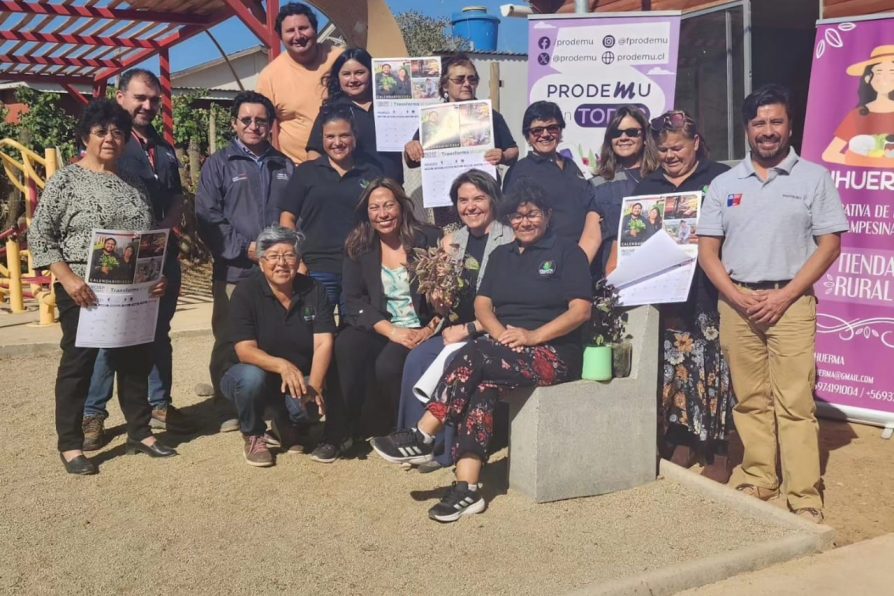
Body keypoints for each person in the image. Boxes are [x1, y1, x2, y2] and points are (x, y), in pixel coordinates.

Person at [371, 184, 592, 522]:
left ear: (547, 215)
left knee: (474, 355)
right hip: (504, 347)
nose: (525, 222)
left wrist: (533, 336)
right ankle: (467, 489)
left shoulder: (566, 253)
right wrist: (502, 333)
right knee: (481, 388)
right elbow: (482, 304)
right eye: (517, 216)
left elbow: (579, 311)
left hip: (553, 352)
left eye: (532, 214)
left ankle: (423, 433)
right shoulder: (501, 255)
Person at [699, 84, 849, 523]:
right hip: (738, 303)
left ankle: (803, 493)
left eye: (776, 122)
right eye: (759, 123)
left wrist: (784, 295)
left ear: (789, 125)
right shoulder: (725, 183)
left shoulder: (814, 178)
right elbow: (709, 251)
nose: (768, 131)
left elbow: (829, 245)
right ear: (747, 129)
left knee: (796, 402)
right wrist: (734, 294)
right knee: (749, 398)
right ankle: (760, 474)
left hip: (792, 302)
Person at [29, 99, 175, 475]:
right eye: (101, 132)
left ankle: (139, 432)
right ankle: (71, 445)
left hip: (130, 290)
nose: (110, 138)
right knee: (79, 363)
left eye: (118, 132)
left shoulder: (134, 183)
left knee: (135, 359)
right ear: (85, 137)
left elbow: (146, 238)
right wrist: (68, 278)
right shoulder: (66, 180)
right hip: (83, 289)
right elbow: (41, 237)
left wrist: (154, 278)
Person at [81, 69, 186, 449]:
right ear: (121, 97)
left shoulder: (165, 147)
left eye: (154, 100)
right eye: (140, 98)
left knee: (158, 333)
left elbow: (175, 195)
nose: (147, 106)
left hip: (161, 255)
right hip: (118, 257)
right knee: (110, 337)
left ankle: (160, 404)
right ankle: (94, 413)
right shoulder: (111, 144)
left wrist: (165, 227)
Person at [634, 110, 734, 481]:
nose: (670, 155)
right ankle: (683, 438)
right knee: (674, 368)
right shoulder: (647, 188)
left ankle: (718, 448)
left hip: (710, 290)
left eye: (677, 147)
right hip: (667, 295)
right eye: (663, 149)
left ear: (696, 143)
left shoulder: (722, 178)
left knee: (714, 370)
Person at [396, 170, 514, 473]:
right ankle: (416, 442)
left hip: (492, 330)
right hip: (454, 328)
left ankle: (448, 450)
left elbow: (511, 304)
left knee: (455, 360)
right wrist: (438, 297)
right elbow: (445, 302)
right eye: (463, 200)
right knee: (417, 358)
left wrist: (470, 328)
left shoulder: (510, 238)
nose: (470, 206)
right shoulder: (452, 241)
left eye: (478, 198)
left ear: (493, 200)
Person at [196, 91, 294, 432]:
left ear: (270, 125)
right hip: (236, 269)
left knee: (271, 337)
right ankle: (228, 406)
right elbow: (207, 217)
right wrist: (244, 249)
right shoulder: (219, 164)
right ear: (234, 123)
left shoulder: (284, 165)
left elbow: (294, 216)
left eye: (261, 121)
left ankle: (267, 402)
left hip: (278, 272)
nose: (254, 126)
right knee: (229, 338)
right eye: (246, 120)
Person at [323, 179, 441, 462]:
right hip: (382, 324)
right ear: (367, 213)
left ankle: (406, 432)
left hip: (421, 325)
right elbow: (353, 301)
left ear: (401, 207)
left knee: (388, 365)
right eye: (375, 208)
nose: (383, 213)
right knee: (346, 347)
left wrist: (429, 328)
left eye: (388, 205)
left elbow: (448, 296)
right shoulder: (358, 245)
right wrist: (392, 331)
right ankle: (337, 433)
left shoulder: (428, 240)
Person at [220, 227, 335, 467]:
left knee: (309, 410)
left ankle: (285, 421)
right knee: (250, 378)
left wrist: (314, 385)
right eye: (273, 256)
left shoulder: (314, 290)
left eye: (289, 255)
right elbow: (244, 350)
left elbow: (324, 341)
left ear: (298, 260)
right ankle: (253, 434)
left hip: (296, 379)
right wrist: (282, 365)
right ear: (261, 263)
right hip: (250, 375)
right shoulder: (245, 292)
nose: (281, 263)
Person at [280, 104, 383, 309]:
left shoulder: (371, 173)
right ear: (322, 139)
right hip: (316, 267)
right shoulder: (307, 172)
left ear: (354, 137)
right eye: (330, 137)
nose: (337, 143)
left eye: (344, 135)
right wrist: (296, 260)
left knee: (356, 334)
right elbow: (287, 219)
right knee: (317, 332)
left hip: (359, 267)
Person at [503, 101, 602, 265]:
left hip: (584, 256)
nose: (545, 134)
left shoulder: (572, 165)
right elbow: (511, 225)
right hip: (546, 263)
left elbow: (589, 206)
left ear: (560, 131)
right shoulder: (520, 171)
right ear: (528, 136)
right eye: (537, 130)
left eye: (552, 128)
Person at [256, 2, 343, 164]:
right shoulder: (269, 76)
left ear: (315, 29)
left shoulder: (341, 60)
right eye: (290, 31)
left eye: (303, 28)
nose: (298, 36)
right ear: (281, 37)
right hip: (299, 170)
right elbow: (260, 127)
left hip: (348, 166)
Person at [403, 53, 518, 170]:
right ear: (445, 85)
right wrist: (410, 148)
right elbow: (411, 162)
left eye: (472, 79)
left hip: (480, 185)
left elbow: (513, 150)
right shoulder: (433, 116)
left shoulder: (490, 116)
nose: (467, 84)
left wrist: (503, 156)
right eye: (459, 79)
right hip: (443, 185)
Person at [306, 48, 403, 182]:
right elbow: (314, 153)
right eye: (346, 74)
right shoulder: (331, 110)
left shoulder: (392, 104)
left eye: (359, 73)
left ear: (372, 73)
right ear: (337, 77)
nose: (353, 79)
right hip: (352, 191)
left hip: (391, 190)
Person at [590, 106, 659, 277]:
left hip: (659, 272)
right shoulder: (597, 184)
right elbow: (591, 238)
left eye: (631, 132)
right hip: (614, 278)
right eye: (616, 133)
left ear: (644, 137)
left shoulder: (663, 177)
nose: (623, 138)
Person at [821, 45, 894, 168]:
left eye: (892, 72)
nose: (885, 78)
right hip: (860, 183)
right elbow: (830, 154)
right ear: (868, 78)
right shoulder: (859, 114)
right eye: (879, 72)